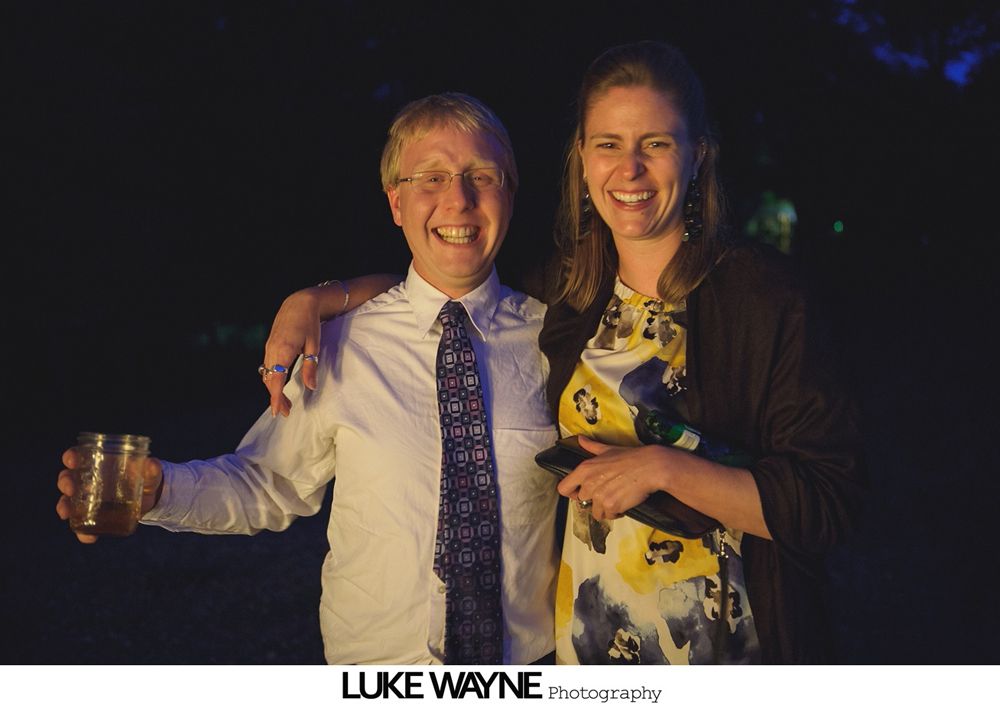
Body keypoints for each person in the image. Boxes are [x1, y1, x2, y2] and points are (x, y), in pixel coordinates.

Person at [256, 42, 864, 664]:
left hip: (724, 649)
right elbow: (446, 275)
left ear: (698, 154)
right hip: (585, 655)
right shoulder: (567, 294)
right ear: (582, 158)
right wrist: (317, 298)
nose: (629, 169)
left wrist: (663, 468)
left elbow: (829, 504)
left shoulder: (764, 296)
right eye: (608, 144)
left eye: (655, 143)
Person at [56, 93, 559, 665]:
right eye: (431, 178)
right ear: (396, 202)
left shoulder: (556, 342)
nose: (458, 199)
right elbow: (266, 483)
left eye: (482, 177)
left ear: (510, 194)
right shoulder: (341, 343)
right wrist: (160, 490)